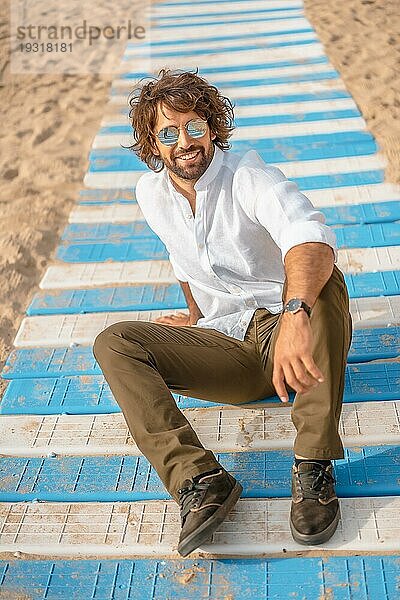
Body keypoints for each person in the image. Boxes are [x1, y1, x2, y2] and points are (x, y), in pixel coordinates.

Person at [93, 68, 353, 557]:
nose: (184, 141)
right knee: (115, 342)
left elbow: (309, 238)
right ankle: (201, 479)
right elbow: (182, 258)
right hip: (229, 346)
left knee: (323, 281)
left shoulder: (250, 177)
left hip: (292, 336)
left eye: (194, 126)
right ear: (152, 143)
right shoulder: (150, 194)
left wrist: (295, 315)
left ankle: (313, 465)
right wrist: (194, 319)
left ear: (212, 127)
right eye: (168, 133)